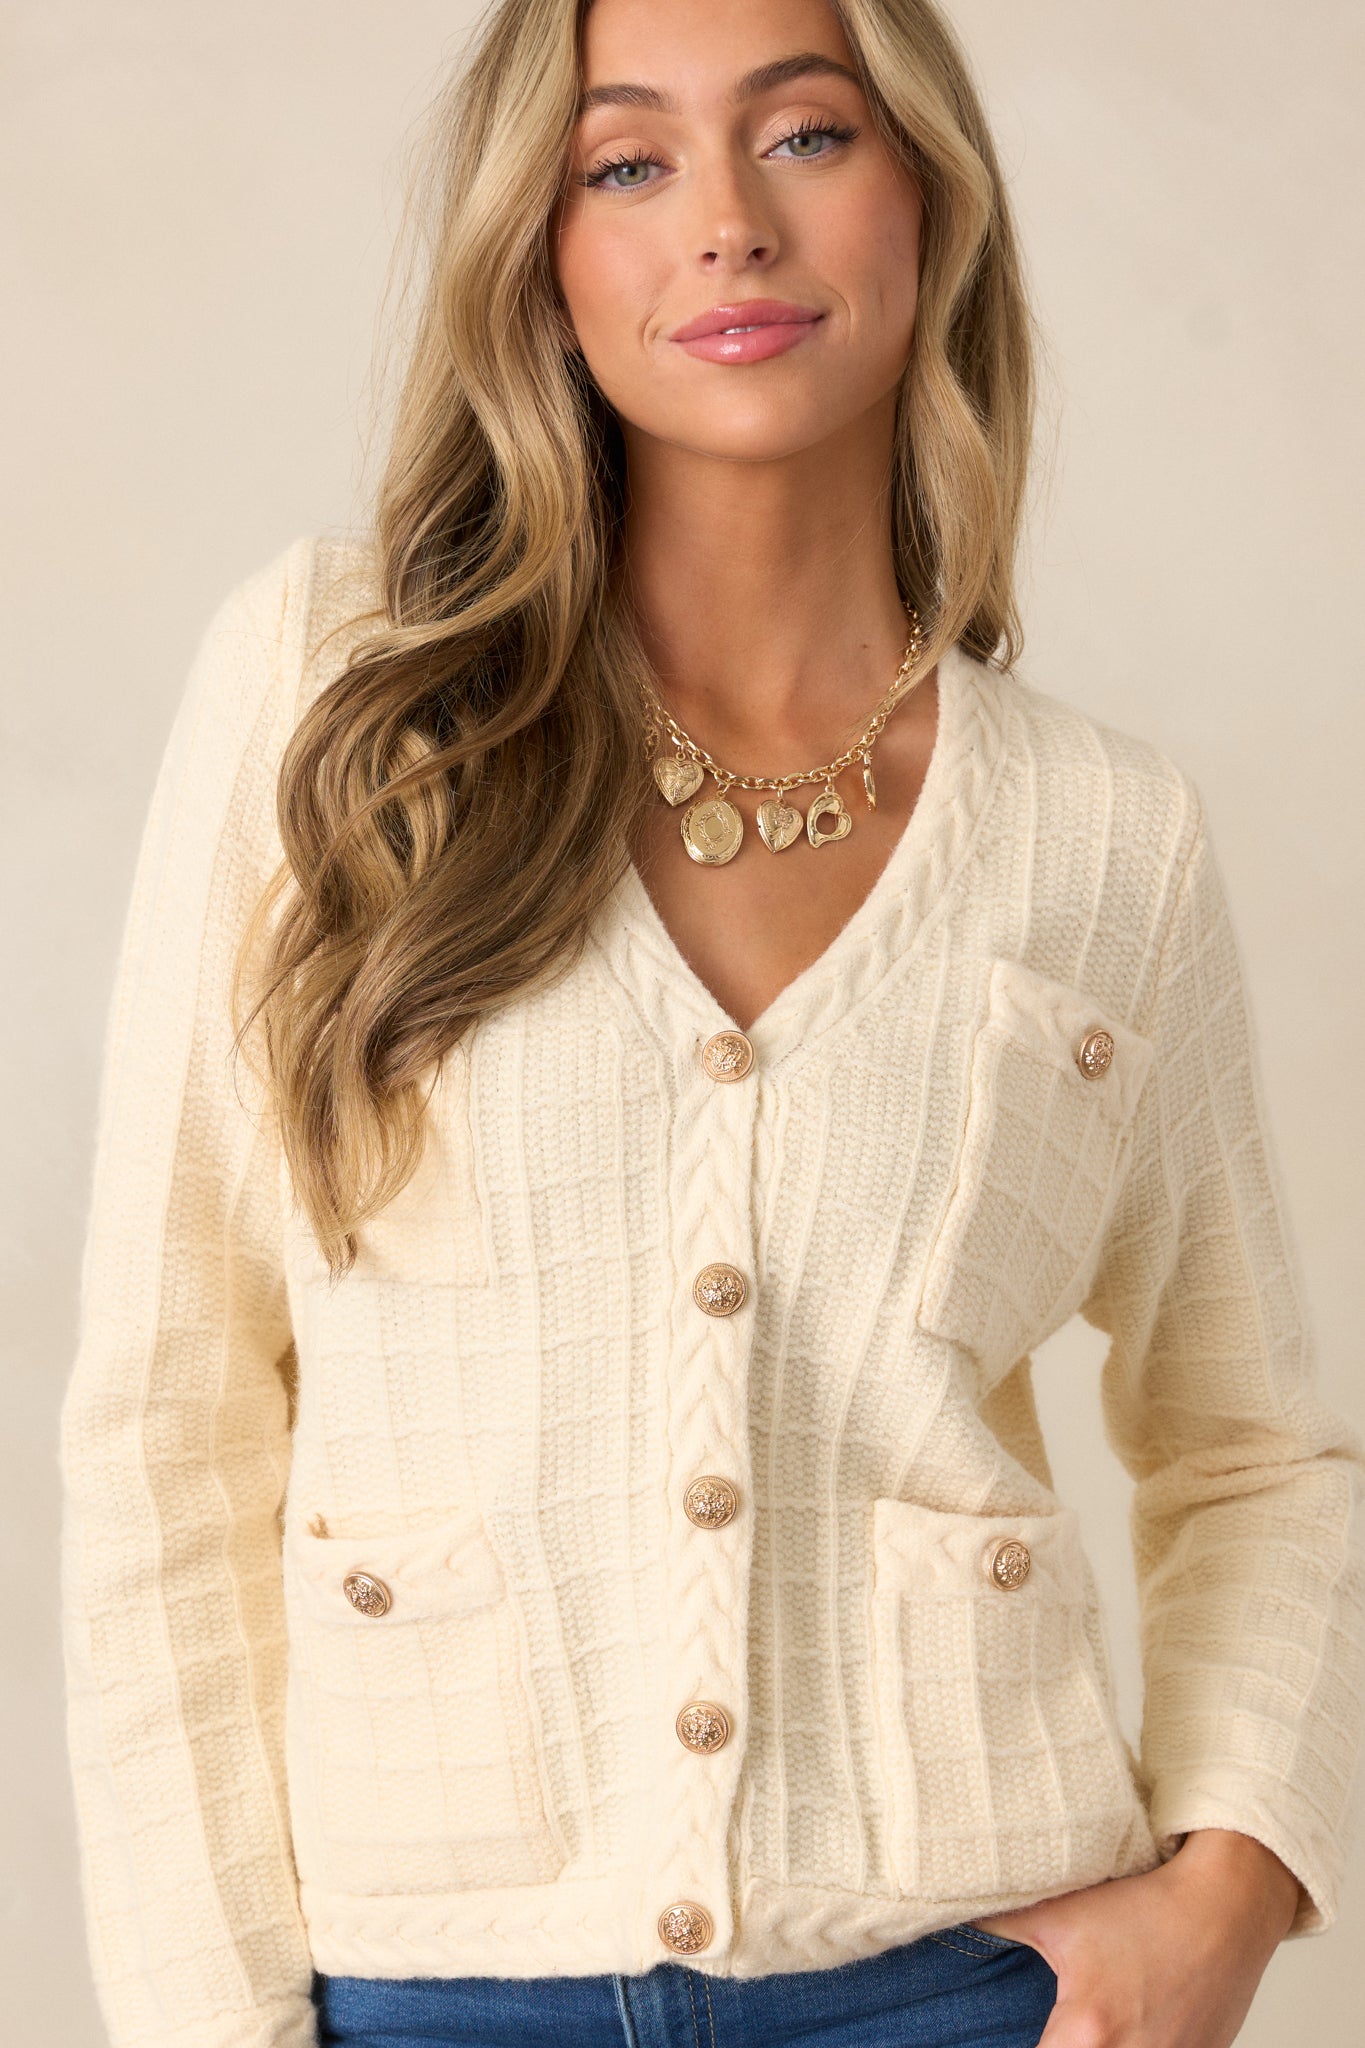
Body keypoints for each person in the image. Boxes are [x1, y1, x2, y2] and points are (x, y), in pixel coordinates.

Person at [58, 1, 1365, 2045]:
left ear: (924, 201)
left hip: (965, 1973)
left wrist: (1224, 1889)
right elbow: (167, 1419)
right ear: (544, 254)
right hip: (428, 1985)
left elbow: (1252, 1443)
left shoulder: (1104, 836)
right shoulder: (334, 708)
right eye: (630, 163)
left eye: (807, 137)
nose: (729, 226)